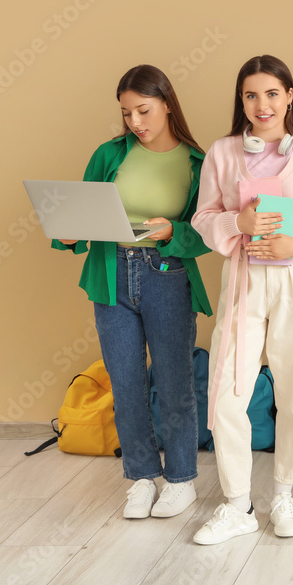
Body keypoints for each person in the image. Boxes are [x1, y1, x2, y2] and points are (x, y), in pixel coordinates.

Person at [53, 64, 213, 520]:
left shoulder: (197, 162)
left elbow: (207, 233)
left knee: (176, 383)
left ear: (166, 103)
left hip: (167, 273)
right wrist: (69, 234)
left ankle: (181, 480)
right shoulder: (109, 154)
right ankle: (142, 478)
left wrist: (172, 231)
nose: (135, 122)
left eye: (143, 110)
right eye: (126, 114)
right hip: (111, 275)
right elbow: (85, 213)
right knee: (126, 384)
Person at [191, 55, 293, 544]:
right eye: (251, 95)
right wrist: (239, 223)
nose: (262, 105)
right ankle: (237, 504)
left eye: (272, 93)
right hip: (243, 280)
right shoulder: (222, 152)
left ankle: (283, 495)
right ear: (242, 100)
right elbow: (203, 216)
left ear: (289, 96)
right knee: (229, 396)